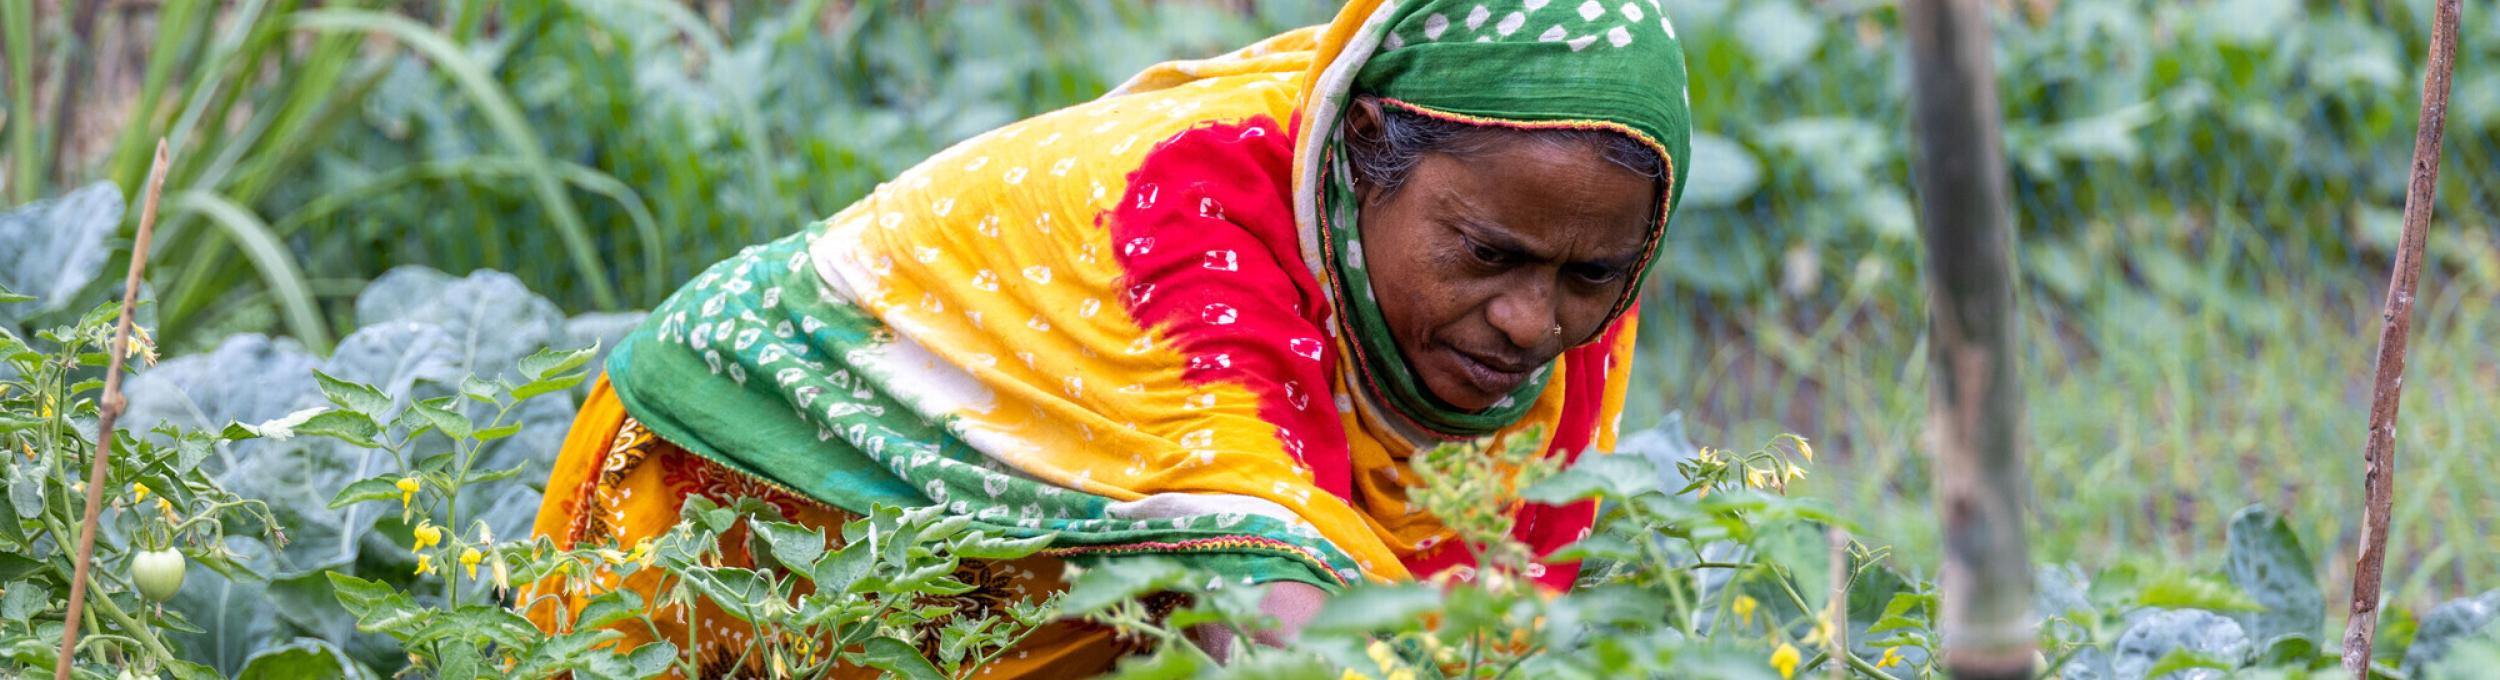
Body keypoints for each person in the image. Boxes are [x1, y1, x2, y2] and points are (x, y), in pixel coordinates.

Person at [526, 0, 1691, 675]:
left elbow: (1495, 621)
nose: (1535, 320)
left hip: (1031, 564)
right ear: (1366, 146)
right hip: (746, 500)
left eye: (1590, 274)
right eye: (1486, 256)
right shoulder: (1188, 214)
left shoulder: (1567, 242)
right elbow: (1277, 610)